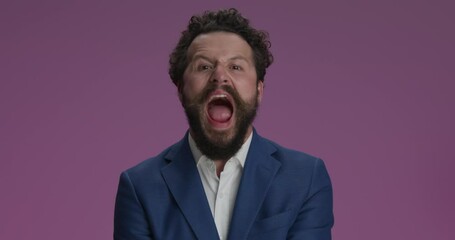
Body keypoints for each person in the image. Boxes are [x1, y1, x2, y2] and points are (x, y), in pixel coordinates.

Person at [114, 8, 334, 240]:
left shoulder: (306, 178)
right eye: (204, 67)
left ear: (259, 90)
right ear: (181, 89)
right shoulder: (140, 187)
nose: (220, 76)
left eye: (236, 67)